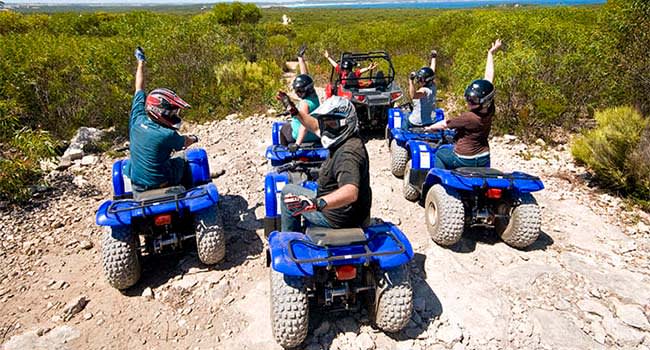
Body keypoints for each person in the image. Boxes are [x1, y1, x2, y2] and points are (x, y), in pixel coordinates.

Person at [275, 93, 372, 231]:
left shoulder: (348, 153)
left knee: (288, 192)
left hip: (336, 218)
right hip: (352, 213)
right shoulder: (344, 137)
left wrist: (317, 204)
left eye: (331, 124)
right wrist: (294, 111)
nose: (326, 129)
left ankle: (290, 238)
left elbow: (350, 192)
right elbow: (314, 126)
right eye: (325, 123)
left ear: (346, 122)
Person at [126, 46, 199, 192]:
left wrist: (140, 63)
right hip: (163, 182)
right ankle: (189, 190)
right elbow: (184, 143)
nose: (174, 115)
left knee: (127, 165)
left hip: (138, 185)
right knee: (182, 160)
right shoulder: (167, 135)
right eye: (171, 112)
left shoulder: (137, 118)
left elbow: (139, 87)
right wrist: (194, 138)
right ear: (160, 112)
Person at [424, 40, 503, 170]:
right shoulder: (490, 109)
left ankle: (438, 181)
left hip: (465, 158)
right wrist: (491, 53)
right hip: (484, 156)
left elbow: (444, 124)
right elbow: (488, 79)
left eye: (473, 100)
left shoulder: (469, 117)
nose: (469, 102)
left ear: (482, 102)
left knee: (439, 153)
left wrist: (429, 128)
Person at [279, 44, 321, 147]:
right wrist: (300, 58)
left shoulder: (304, 104)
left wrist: (297, 144)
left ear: (306, 90)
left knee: (283, 129)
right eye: (297, 91)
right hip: (315, 134)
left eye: (300, 91)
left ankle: (284, 151)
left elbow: (304, 125)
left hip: (302, 136)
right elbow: (305, 76)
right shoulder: (313, 96)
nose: (297, 93)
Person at [407, 49, 438, 127]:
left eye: (421, 79)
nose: (419, 81)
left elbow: (413, 96)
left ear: (426, 81)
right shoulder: (433, 85)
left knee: (404, 122)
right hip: (431, 120)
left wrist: (411, 81)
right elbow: (432, 71)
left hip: (418, 122)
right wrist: (433, 58)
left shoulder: (424, 91)